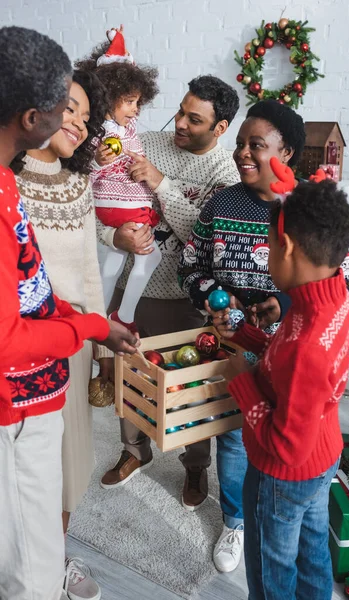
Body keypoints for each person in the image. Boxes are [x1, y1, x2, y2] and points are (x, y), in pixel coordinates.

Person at [177, 99, 349, 572]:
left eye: (255, 145)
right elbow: (190, 265)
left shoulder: (311, 210)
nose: (242, 153)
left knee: (280, 457)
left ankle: (270, 524)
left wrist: (284, 303)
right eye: (240, 142)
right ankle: (236, 521)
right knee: (235, 442)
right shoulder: (220, 203)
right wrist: (216, 297)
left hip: (293, 358)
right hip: (234, 340)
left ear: (288, 152)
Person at [0, 26, 138, 600]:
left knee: (28, 535)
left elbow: (31, 282)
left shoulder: (6, 183)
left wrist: (89, 322)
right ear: (34, 118)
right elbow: (9, 341)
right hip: (15, 405)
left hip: (49, 374)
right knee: (28, 572)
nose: (76, 122)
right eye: (66, 106)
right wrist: (89, 326)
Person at [97, 76, 240, 525]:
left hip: (185, 299)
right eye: (179, 111)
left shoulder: (225, 175)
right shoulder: (145, 141)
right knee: (129, 376)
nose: (178, 123)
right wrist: (112, 230)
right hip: (131, 288)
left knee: (189, 388)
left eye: (193, 119)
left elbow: (204, 235)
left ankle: (194, 469)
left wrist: (161, 184)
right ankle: (133, 451)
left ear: (220, 128)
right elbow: (98, 196)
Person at [212, 179, 349, 600]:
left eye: (269, 248)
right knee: (313, 551)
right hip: (324, 456)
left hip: (282, 476)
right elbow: (288, 360)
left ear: (287, 246)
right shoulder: (334, 303)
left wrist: (240, 381)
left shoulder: (307, 343)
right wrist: (247, 335)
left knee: (272, 568)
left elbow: (285, 445)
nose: (268, 256)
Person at [15, 69, 112, 600]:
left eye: (84, 114)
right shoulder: (9, 178)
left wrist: (99, 343)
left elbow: (89, 271)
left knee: (69, 458)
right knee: (22, 462)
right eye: (68, 106)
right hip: (20, 345)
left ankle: (55, 558)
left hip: (71, 340)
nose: (76, 120)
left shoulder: (79, 186)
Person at [76, 25, 160, 332]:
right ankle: (122, 317)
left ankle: (97, 321)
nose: (136, 110)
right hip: (119, 210)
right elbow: (82, 175)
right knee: (151, 257)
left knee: (110, 268)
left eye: (138, 102)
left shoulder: (126, 132)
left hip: (122, 212)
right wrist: (98, 162)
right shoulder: (100, 133)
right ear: (109, 96)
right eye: (130, 101)